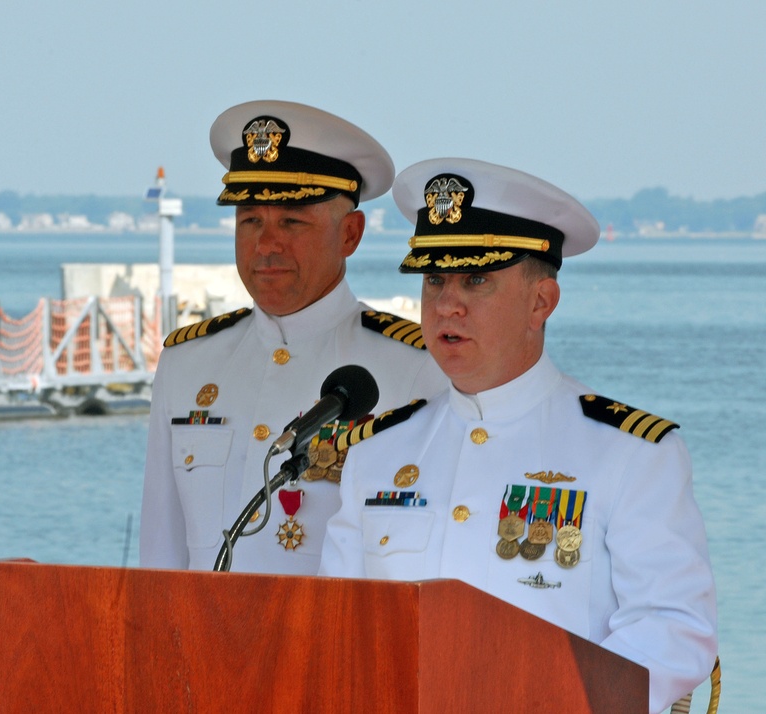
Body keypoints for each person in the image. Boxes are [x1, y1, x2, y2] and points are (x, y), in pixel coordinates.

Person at [318, 158, 717, 713]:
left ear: (541, 302)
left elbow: (673, 628)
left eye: (475, 279)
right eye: (435, 280)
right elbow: (340, 627)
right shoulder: (378, 454)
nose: (446, 304)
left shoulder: (630, 454)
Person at [139, 101, 447, 575]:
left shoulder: (413, 369)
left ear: (350, 234)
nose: (266, 244)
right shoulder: (188, 363)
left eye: (291, 222)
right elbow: (160, 555)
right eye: (250, 221)